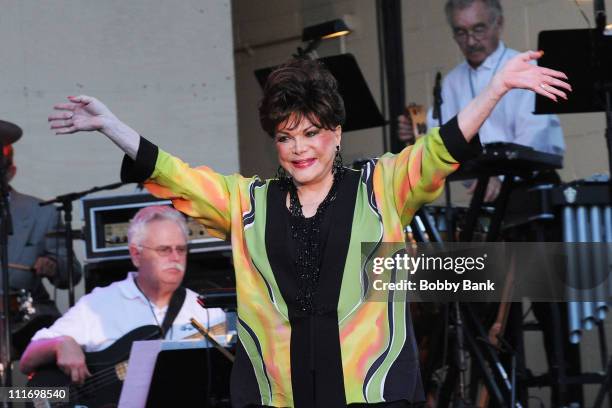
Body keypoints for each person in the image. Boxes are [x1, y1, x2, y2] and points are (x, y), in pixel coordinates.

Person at [45, 52, 568, 407]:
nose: (300, 148)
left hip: (368, 392)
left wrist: (497, 87)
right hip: (278, 394)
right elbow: (173, 174)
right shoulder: (248, 202)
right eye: (286, 136)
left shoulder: (379, 187)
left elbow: (439, 150)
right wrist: (112, 126)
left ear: (336, 134)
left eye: (312, 133)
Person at [19, 205, 226, 385]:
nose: (175, 258)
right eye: (164, 250)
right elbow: (27, 359)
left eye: (181, 250)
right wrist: (60, 344)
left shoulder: (206, 310)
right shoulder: (99, 303)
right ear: (136, 255)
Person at [400, 0, 565, 202]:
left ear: (499, 24)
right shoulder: (452, 82)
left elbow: (535, 137)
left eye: (478, 29)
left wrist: (500, 177)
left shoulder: (526, 68)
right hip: (483, 193)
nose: (470, 41)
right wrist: (416, 134)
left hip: (531, 189)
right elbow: (441, 140)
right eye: (461, 32)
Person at [3, 144, 82, 354]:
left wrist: (54, 265)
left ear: (11, 172)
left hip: (25, 321)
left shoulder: (42, 213)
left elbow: (71, 274)